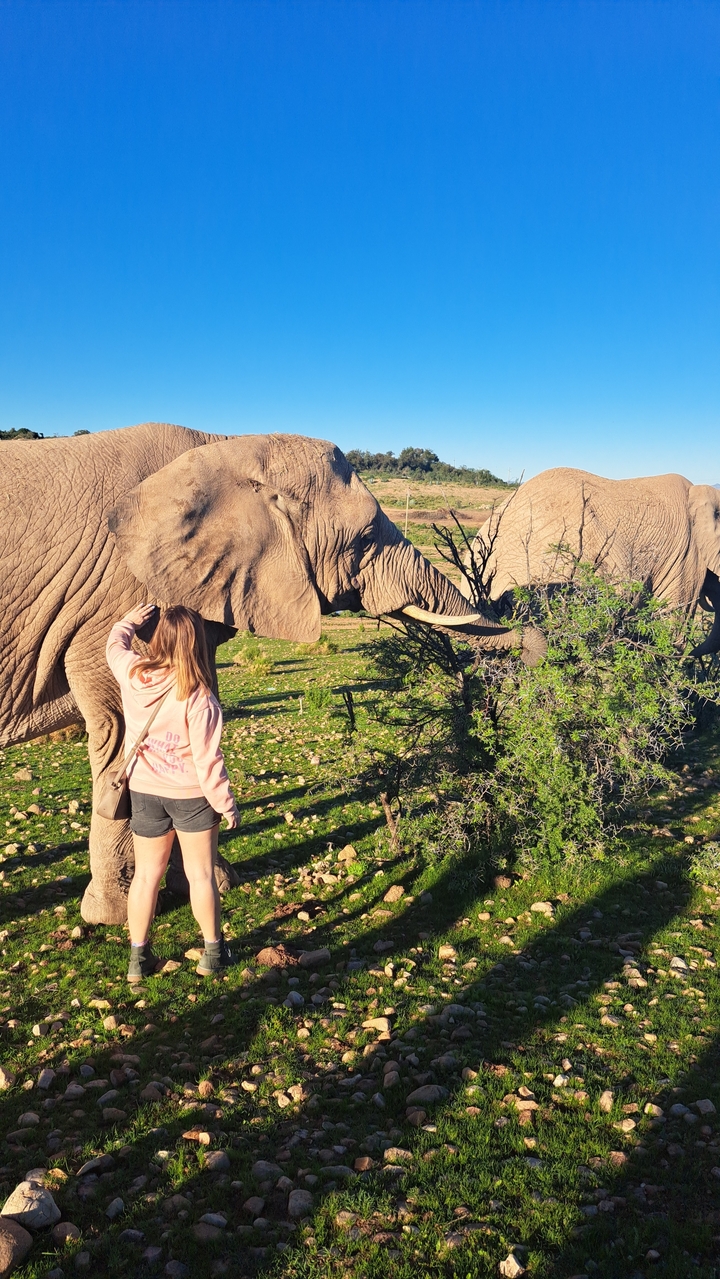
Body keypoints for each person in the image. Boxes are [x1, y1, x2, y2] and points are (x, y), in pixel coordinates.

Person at [106, 603, 240, 981]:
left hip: (145, 793)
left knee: (146, 876)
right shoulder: (200, 698)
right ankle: (213, 953)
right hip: (191, 796)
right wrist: (226, 805)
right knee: (200, 875)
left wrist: (129, 621)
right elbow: (208, 762)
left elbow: (114, 645)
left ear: (159, 639)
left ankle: (138, 959)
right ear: (197, 643)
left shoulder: (133, 674)